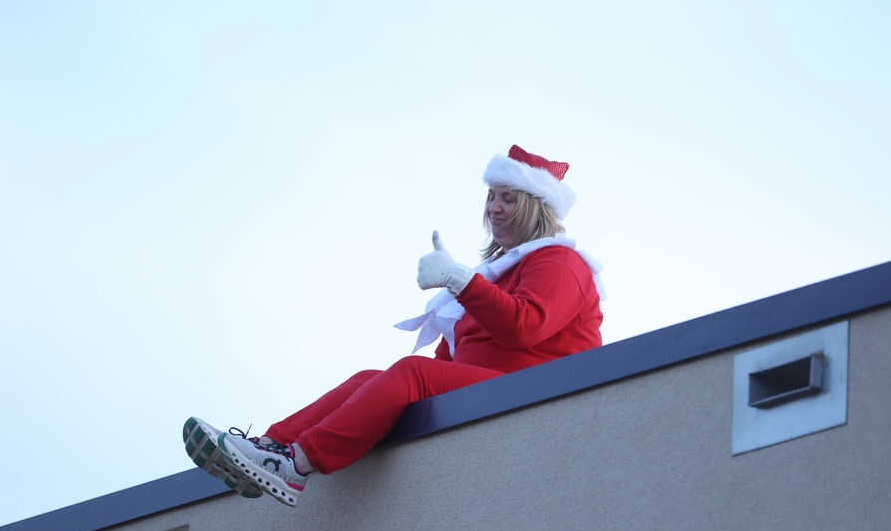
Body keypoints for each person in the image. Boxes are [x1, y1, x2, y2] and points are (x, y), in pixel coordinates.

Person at [183, 145, 605, 506]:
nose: (493, 207)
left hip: (543, 391)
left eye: (508, 198)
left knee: (411, 373)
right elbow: (454, 356)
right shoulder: (494, 273)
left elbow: (523, 327)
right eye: (491, 197)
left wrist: (460, 279)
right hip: (494, 385)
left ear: (534, 206)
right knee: (372, 378)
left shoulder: (561, 262)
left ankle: (297, 464)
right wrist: (467, 284)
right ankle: (271, 448)